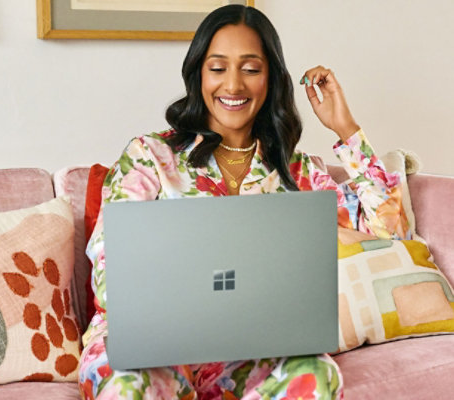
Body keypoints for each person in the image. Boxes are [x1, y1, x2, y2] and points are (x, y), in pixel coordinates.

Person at [78, 5, 409, 399]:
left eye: (251, 69)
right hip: (150, 349)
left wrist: (346, 128)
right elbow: (109, 267)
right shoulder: (150, 155)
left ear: (270, 79)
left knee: (316, 373)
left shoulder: (297, 173)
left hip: (250, 354)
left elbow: (390, 231)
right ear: (199, 74)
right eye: (218, 68)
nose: (233, 85)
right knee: (127, 384)